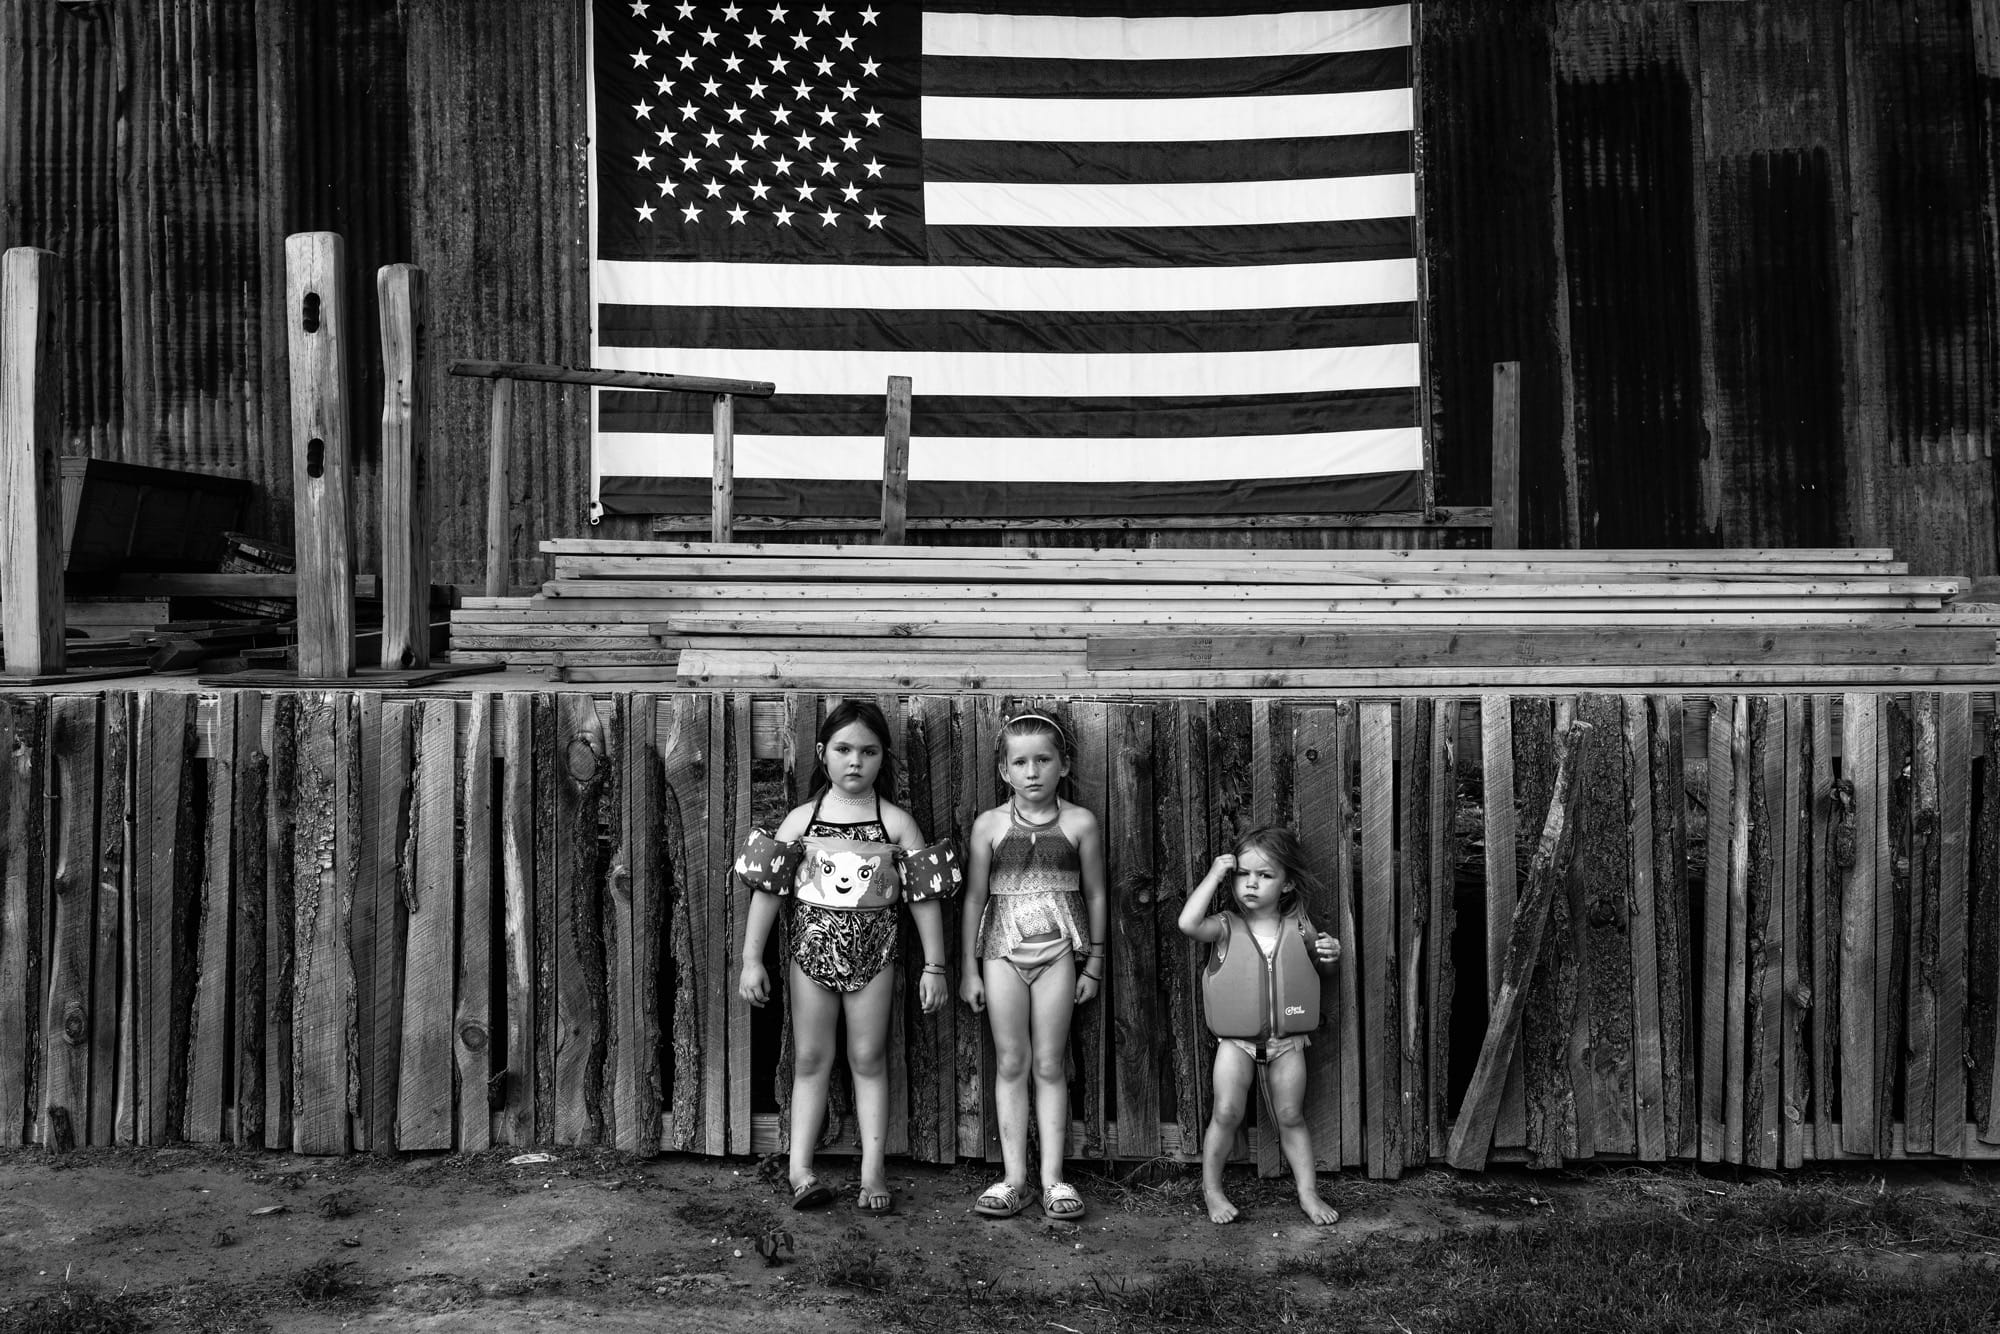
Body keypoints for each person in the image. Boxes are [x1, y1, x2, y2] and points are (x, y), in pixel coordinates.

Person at [736, 700, 956, 1215]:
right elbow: (767, 892)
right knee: (811, 1059)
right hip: (809, 955)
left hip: (875, 957)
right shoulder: (800, 822)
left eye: (868, 751)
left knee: (868, 1058)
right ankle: (799, 1168)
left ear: (883, 758)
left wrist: (936, 965)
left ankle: (872, 1169)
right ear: (822, 754)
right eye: (843, 749)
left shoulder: (897, 824)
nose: (855, 761)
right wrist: (751, 959)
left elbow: (923, 897)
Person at [959, 712, 1108, 1223]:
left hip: (1058, 955)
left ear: (1062, 765)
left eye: (1043, 760)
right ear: (1004, 771)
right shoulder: (989, 826)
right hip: (1001, 953)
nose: (1032, 772)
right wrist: (968, 969)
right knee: (1010, 1062)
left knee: (1049, 1063)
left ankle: (1052, 1179)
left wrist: (1095, 964)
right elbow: (975, 897)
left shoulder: (1079, 823)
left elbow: (1095, 892)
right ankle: (1012, 1179)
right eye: (1020, 762)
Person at [1178, 826, 1341, 1226]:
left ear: (1286, 885)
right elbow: (1187, 923)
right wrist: (1215, 874)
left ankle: (1308, 1193)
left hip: (1288, 1044)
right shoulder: (1224, 925)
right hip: (1236, 1043)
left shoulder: (1301, 928)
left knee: (1290, 1115)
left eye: (1266, 876)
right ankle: (1213, 1191)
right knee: (1227, 1112)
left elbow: (1320, 969)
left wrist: (1331, 953)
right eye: (1243, 874)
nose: (1251, 883)